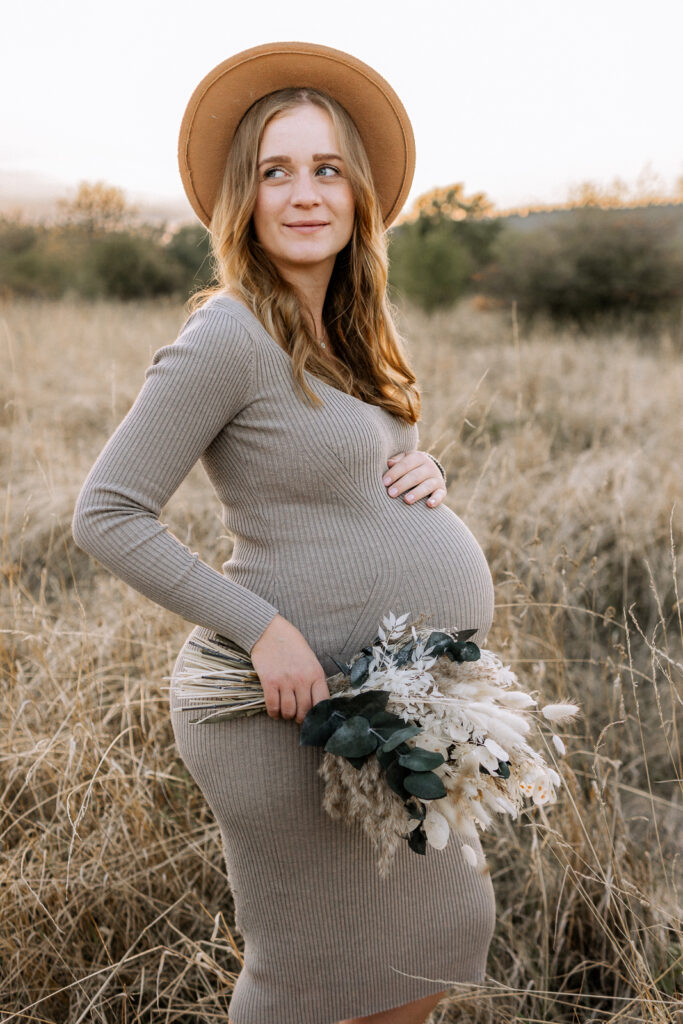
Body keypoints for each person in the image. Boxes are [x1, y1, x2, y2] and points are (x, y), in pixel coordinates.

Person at [71, 41, 496, 1024]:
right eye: (274, 171)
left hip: (393, 698)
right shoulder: (228, 332)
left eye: (325, 169)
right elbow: (106, 512)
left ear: (357, 195)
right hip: (286, 711)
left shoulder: (354, 330)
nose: (304, 194)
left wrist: (423, 474)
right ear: (243, 200)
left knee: (423, 952)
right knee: (311, 979)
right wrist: (262, 628)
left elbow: (344, 485)